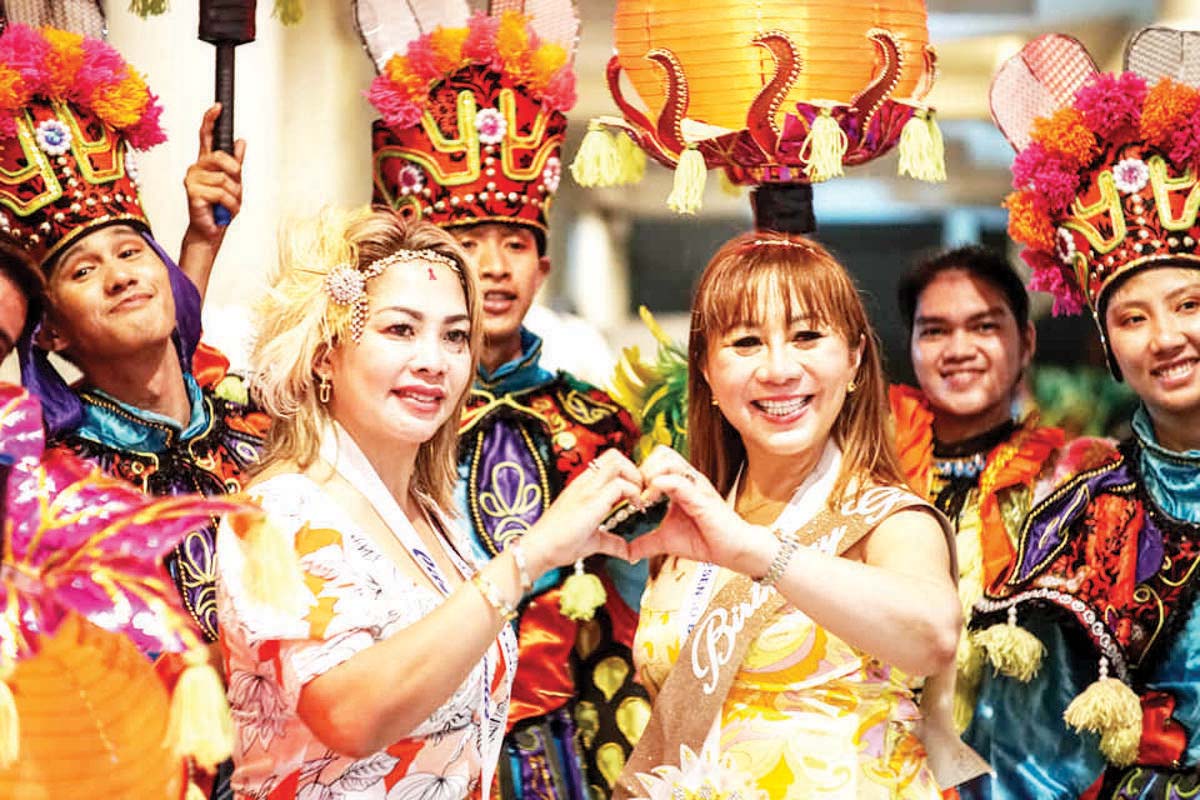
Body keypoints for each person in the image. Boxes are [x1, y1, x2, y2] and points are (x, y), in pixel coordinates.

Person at [216, 207, 641, 799]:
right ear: (323, 354)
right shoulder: (278, 514)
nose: (434, 360)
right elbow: (350, 715)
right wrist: (529, 557)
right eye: (400, 330)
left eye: (454, 335)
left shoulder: (430, 517)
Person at [366, 9, 651, 797]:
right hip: (399, 727)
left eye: (515, 243)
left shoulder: (597, 425)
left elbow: (638, 603)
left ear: (544, 263)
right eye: (466, 239)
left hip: (562, 738)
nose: (492, 267)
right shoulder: (372, 421)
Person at [615, 232, 964, 800]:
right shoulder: (688, 521)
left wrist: (756, 551)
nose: (779, 369)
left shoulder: (890, 520)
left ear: (854, 358)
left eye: (807, 336)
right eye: (747, 342)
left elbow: (933, 637)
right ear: (705, 369)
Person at [962, 30, 1200, 799]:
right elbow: (1023, 763)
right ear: (1106, 345)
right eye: (1132, 319)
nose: (1166, 338)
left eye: (1189, 304)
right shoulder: (1084, 527)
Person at [0, 24, 264, 649]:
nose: (120, 276)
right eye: (85, 271)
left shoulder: (265, 426)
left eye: (130, 252)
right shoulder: (57, 489)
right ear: (51, 331)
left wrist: (202, 240)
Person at [890, 245, 1067, 731]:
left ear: (1026, 342)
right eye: (935, 331)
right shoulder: (869, 469)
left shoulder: (1066, 482)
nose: (958, 349)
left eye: (984, 326)